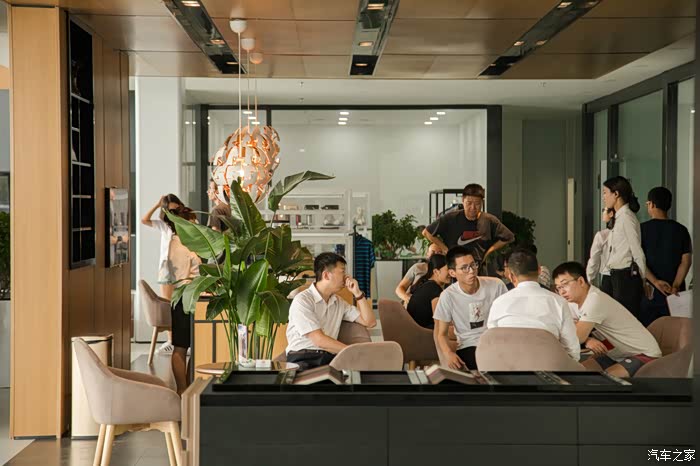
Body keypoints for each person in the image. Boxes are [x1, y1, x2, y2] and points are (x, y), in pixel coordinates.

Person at [553, 262, 661, 377]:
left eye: (565, 285)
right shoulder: (573, 303)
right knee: (577, 374)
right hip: (614, 353)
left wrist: (585, 338)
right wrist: (588, 340)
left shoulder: (594, 300)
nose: (562, 292)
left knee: (603, 380)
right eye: (558, 288)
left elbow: (577, 337)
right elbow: (563, 326)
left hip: (643, 353)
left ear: (580, 281)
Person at [286, 252, 376, 370]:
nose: (346, 276)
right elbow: (318, 340)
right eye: (342, 271)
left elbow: (370, 322)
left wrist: (357, 293)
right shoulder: (303, 300)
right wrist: (351, 352)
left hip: (328, 358)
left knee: (360, 374)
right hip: (303, 358)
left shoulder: (339, 302)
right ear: (326, 275)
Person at [488, 250, 580, 361]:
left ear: (511, 276)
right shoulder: (558, 302)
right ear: (540, 270)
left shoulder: (498, 303)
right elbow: (572, 350)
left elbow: (492, 343)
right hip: (550, 366)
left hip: (509, 366)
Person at [434, 246, 507, 370]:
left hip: (496, 342)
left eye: (473, 265)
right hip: (468, 346)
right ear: (452, 273)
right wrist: (448, 354)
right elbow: (441, 334)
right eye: (464, 268)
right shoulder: (448, 296)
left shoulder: (496, 285)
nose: (471, 271)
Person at [422, 183, 514, 274]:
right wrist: (445, 249)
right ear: (463, 200)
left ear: (482, 202)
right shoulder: (451, 218)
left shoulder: (489, 220)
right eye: (469, 203)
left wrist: (489, 251)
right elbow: (426, 232)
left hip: (478, 268)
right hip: (457, 268)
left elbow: (509, 237)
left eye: (477, 204)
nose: (473, 207)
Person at [140, 194, 186, 354]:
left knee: (182, 303)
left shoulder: (187, 223)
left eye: (176, 210)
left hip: (183, 265)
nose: (173, 214)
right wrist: (157, 204)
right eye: (170, 211)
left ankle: (181, 340)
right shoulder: (163, 225)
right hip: (166, 266)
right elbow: (144, 220)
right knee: (169, 304)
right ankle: (171, 340)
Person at [640, 187, 693, 326]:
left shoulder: (641, 230)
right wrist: (675, 285)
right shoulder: (681, 230)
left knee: (650, 331)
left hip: (650, 292)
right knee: (674, 331)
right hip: (675, 295)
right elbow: (686, 261)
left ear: (651, 204)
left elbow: (639, 261)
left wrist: (655, 281)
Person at [164, 205, 202, 394]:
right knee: (181, 347)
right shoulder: (177, 246)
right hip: (183, 299)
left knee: (194, 345)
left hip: (191, 297)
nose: (196, 225)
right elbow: (181, 278)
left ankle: (188, 388)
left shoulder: (186, 243)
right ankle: (181, 389)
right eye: (192, 222)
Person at [601, 176, 646, 321]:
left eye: (605, 192)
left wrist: (643, 279)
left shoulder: (627, 217)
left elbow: (636, 249)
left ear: (616, 194)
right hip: (614, 273)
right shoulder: (618, 217)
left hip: (625, 276)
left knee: (624, 320)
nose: (603, 197)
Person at [406, 254, 450, 329]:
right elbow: (439, 321)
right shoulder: (434, 289)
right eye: (448, 269)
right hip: (424, 331)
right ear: (436, 271)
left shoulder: (426, 284)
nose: (451, 273)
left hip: (415, 329)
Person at [586, 207, 614, 285]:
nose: (602, 212)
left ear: (611, 213)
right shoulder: (625, 233)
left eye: (604, 210)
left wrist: (589, 278)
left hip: (608, 277)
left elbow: (594, 259)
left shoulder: (602, 235)